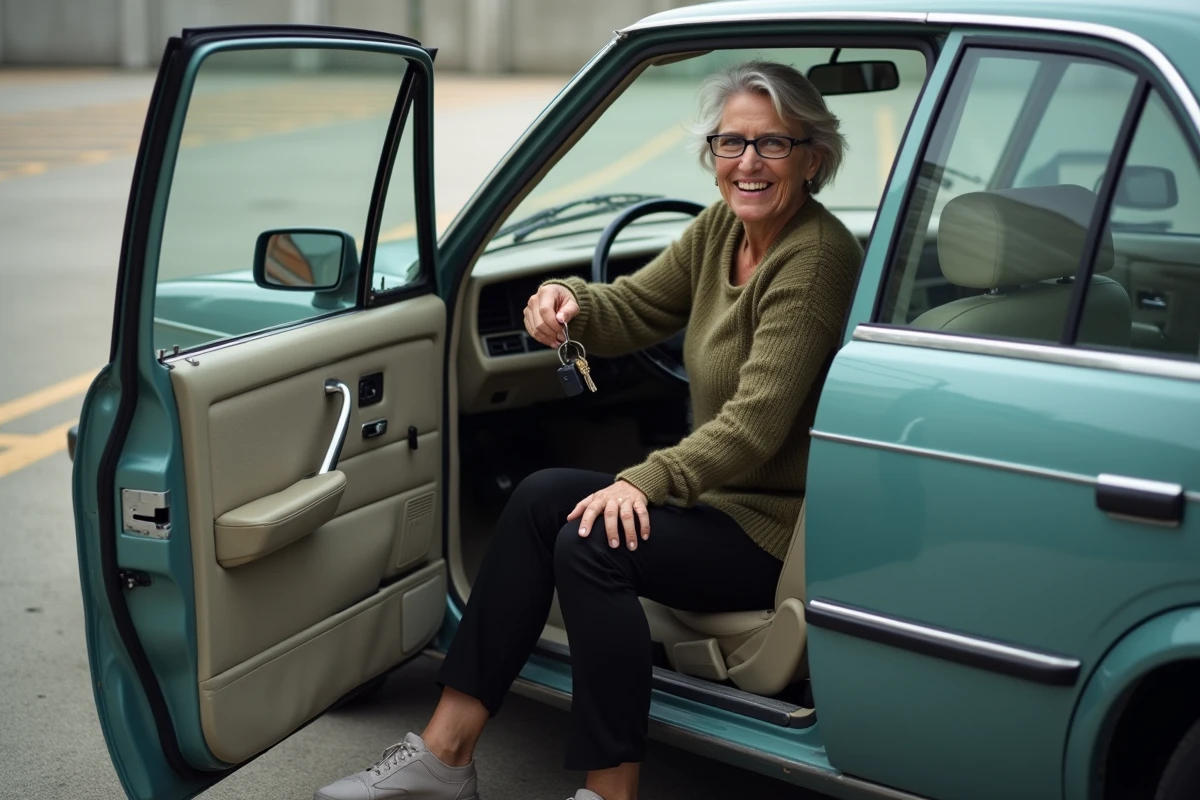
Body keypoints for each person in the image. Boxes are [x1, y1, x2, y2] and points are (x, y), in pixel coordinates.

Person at [314, 59, 864, 800]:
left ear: (813, 158)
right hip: (715, 505)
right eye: (731, 143)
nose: (748, 163)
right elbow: (634, 307)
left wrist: (644, 479)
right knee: (541, 498)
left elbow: (754, 426)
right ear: (712, 157)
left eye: (773, 144)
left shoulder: (817, 257)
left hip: (769, 528)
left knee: (593, 541)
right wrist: (563, 300)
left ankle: (611, 791)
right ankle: (444, 757)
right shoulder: (718, 231)